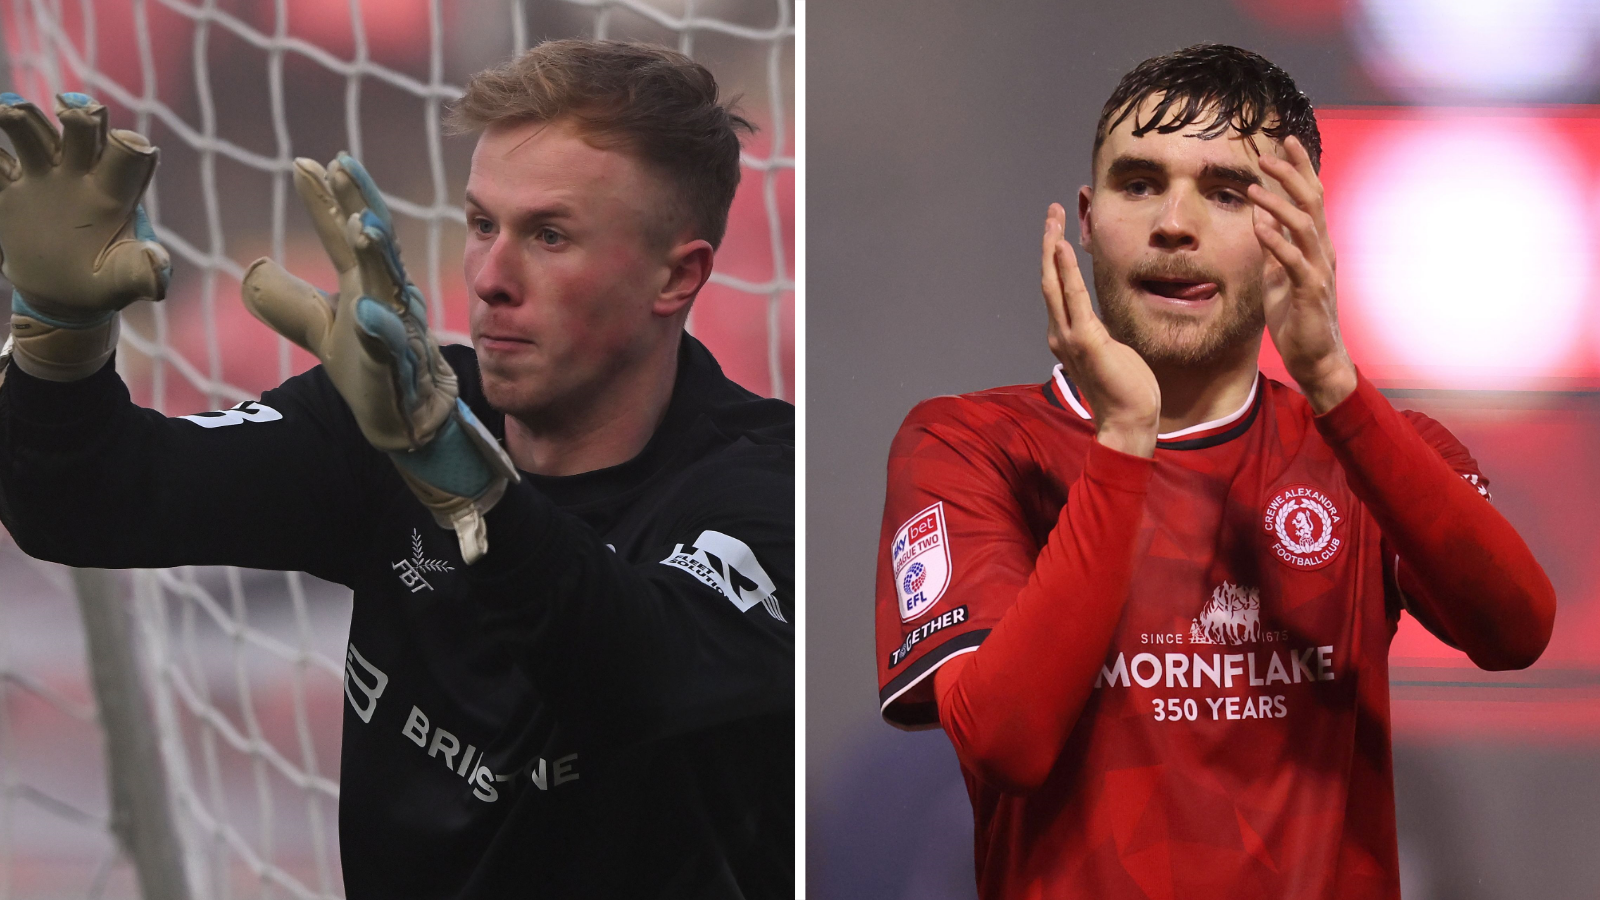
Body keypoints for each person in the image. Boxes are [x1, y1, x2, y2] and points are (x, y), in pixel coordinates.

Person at [0, 39, 793, 899]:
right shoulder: (394, 410)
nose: (492, 278)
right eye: (483, 224)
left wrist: (458, 480)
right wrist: (60, 338)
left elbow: (631, 675)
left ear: (677, 277)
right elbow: (84, 503)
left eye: (550, 235)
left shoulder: (764, 489)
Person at [874, 43, 1553, 900]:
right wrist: (1126, 438)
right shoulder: (972, 444)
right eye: (1139, 183)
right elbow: (1008, 742)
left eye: (1227, 192)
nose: (1174, 224)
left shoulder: (1377, 450)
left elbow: (1517, 631)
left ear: (1295, 232)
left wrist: (1336, 385)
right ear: (1087, 218)